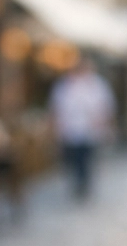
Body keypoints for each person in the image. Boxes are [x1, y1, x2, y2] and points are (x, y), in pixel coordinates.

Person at [48, 57, 116, 200]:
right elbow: (57, 107)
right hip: (71, 130)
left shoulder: (97, 85)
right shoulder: (65, 85)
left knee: (86, 158)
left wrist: (104, 123)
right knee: (74, 159)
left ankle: (84, 184)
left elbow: (106, 106)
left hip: (90, 130)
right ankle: (79, 183)